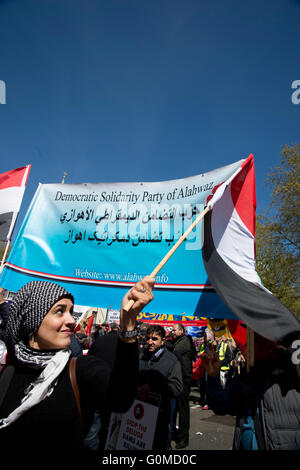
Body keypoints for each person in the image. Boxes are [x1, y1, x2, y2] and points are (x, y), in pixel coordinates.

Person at [0, 277, 154, 461]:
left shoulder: (78, 368)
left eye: (71, 312)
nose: (71, 320)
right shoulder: (7, 373)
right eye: (59, 311)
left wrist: (128, 323)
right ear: (31, 318)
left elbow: (120, 399)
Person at [202, 332, 300, 450]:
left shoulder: (292, 381)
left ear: (272, 345)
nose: (247, 347)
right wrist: (213, 375)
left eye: (255, 341)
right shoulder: (247, 379)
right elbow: (220, 405)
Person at [138, 325, 183, 450]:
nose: (150, 342)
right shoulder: (141, 355)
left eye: (154, 339)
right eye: (148, 338)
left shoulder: (171, 360)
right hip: (138, 414)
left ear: (163, 340)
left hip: (159, 416)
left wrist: (154, 387)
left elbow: (177, 388)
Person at [171, 323, 195, 449]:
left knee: (182, 408)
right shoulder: (178, 340)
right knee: (174, 408)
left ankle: (183, 438)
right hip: (177, 378)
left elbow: (173, 351)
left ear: (181, 331)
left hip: (184, 379)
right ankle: (174, 433)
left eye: (174, 330)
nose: (172, 332)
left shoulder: (185, 341)